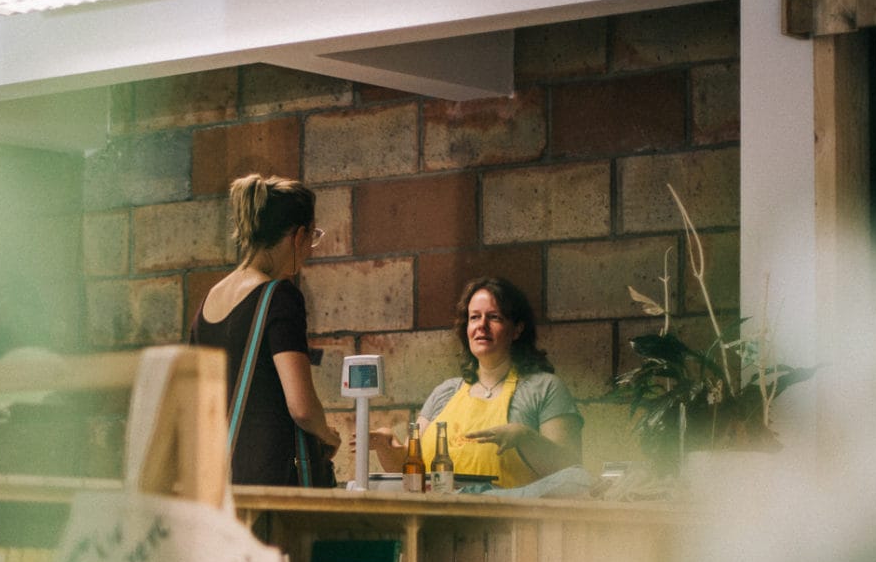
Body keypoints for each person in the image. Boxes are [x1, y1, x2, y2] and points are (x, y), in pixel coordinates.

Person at [190, 173, 341, 486]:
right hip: (269, 483)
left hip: (217, 481)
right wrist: (327, 434)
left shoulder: (209, 302)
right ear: (298, 235)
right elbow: (301, 407)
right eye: (312, 237)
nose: (311, 249)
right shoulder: (280, 297)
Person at [372, 276, 582, 487]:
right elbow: (408, 470)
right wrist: (386, 446)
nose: (482, 325)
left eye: (494, 317)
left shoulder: (544, 388)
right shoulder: (445, 392)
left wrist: (525, 437)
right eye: (474, 317)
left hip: (510, 510)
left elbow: (571, 473)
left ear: (517, 329)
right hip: (441, 509)